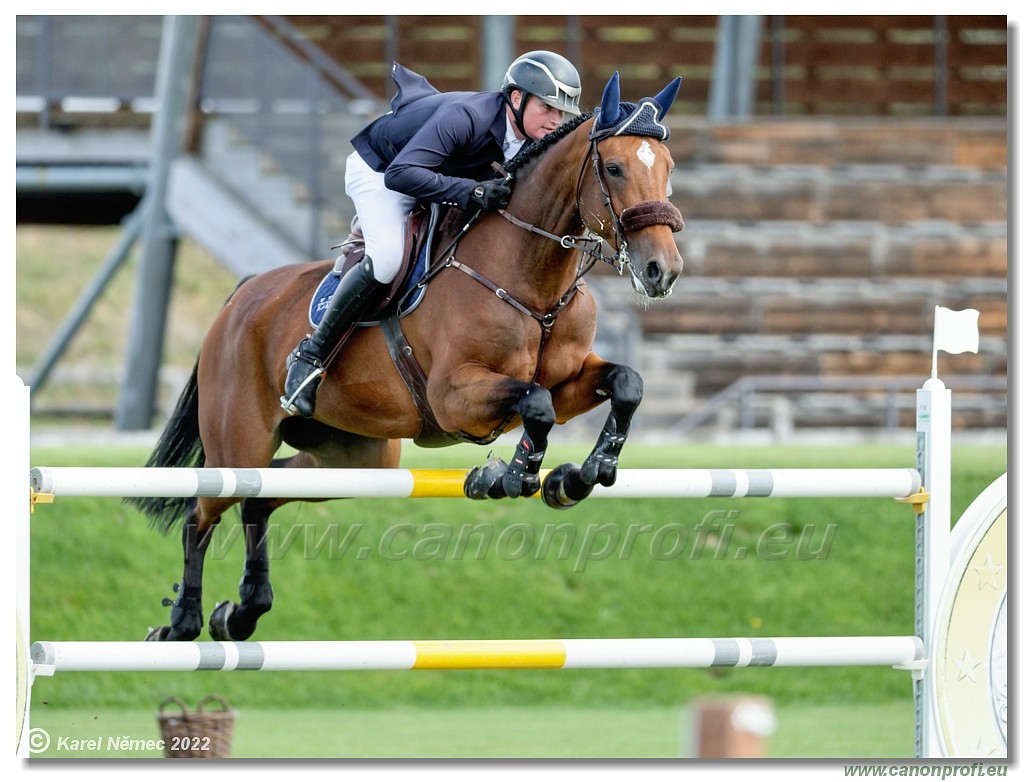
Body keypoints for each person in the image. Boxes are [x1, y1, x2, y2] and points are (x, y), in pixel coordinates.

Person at [281, 51, 583, 418]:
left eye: (561, 112)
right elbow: (401, 174)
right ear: (516, 99)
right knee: (388, 260)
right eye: (547, 107)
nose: (555, 120)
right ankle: (310, 356)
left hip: (436, 175)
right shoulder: (467, 117)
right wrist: (471, 192)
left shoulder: (534, 136)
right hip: (383, 170)